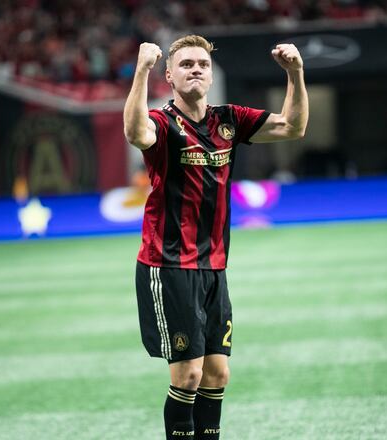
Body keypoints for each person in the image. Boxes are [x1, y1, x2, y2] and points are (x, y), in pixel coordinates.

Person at [123, 35, 308, 440]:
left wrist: (295, 72)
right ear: (169, 75)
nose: (195, 70)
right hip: (167, 264)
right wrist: (141, 70)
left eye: (202, 65)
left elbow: (293, 127)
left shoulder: (229, 119)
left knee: (217, 373)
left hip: (213, 266)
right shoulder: (162, 123)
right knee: (188, 374)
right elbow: (135, 133)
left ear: (211, 75)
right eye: (186, 64)